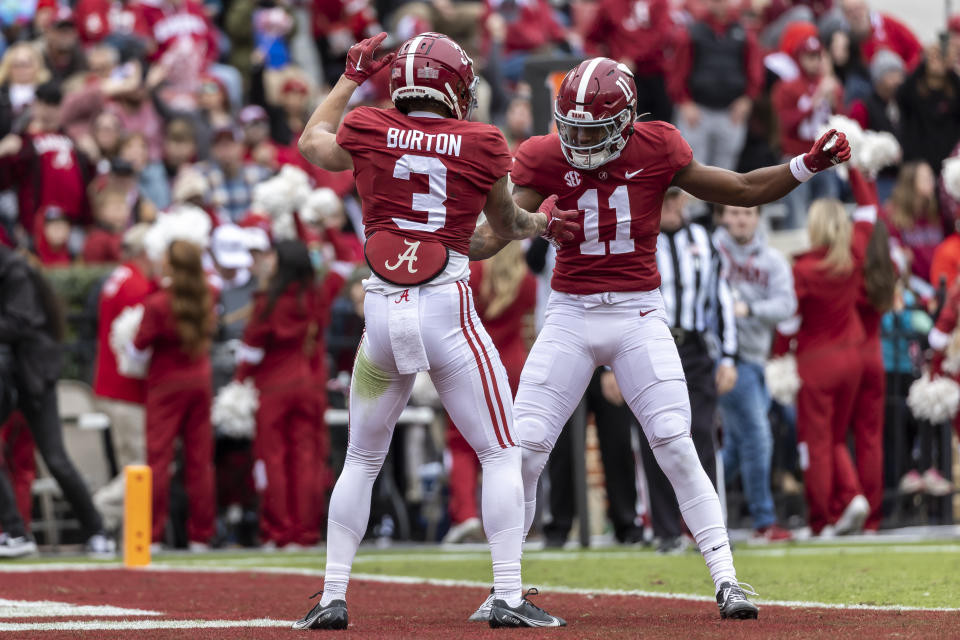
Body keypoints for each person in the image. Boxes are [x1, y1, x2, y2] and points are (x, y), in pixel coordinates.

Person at [469, 56, 851, 620]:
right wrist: (523, 224)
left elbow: (741, 188)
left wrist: (805, 164)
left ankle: (727, 579)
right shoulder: (543, 155)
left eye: (592, 131)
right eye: (569, 127)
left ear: (625, 123)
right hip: (570, 313)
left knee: (675, 440)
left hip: (636, 314)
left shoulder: (658, 146)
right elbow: (486, 240)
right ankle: (505, 591)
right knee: (521, 450)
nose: (577, 141)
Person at [293, 32, 577, 630]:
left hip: (381, 310)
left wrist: (349, 75)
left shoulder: (369, 127)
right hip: (445, 305)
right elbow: (497, 229)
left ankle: (332, 595)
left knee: (362, 458)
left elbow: (312, 142)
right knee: (499, 451)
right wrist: (544, 222)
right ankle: (506, 593)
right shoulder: (480, 141)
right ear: (453, 88)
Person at [0, 246, 115, 557]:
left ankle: (96, 530)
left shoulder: (15, 272)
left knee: (56, 459)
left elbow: (17, 323)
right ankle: (13, 531)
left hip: (33, 378)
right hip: (8, 376)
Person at [642, 188, 738, 553]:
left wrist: (728, 356)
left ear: (684, 200)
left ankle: (708, 529)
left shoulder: (704, 240)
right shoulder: (640, 237)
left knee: (700, 432)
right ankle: (667, 531)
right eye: (662, 198)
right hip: (651, 343)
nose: (667, 205)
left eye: (673, 198)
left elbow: (722, 297)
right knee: (657, 435)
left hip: (694, 347)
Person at [777, 199, 868, 536]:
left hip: (816, 362)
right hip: (852, 359)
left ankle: (821, 521)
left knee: (814, 444)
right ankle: (852, 495)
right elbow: (869, 218)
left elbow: (788, 322)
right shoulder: (850, 263)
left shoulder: (803, 269)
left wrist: (778, 355)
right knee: (835, 439)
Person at [234, 240, 329, 549]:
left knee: (272, 460)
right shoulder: (314, 297)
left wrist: (238, 383)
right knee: (308, 459)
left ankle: (278, 531)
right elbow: (339, 265)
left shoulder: (268, 302)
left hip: (273, 389)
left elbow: (250, 352)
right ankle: (305, 532)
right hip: (310, 387)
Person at [444, 241, 537, 545]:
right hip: (513, 366)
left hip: (475, 362)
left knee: (461, 442)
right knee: (507, 445)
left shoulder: (472, 272)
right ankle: (512, 517)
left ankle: (468, 515)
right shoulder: (527, 279)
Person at [714, 203, 797, 542]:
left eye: (747, 213)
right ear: (722, 216)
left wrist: (749, 309)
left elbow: (787, 306)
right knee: (758, 438)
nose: (740, 219)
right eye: (733, 213)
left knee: (736, 446)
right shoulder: (710, 248)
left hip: (756, 359)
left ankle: (688, 513)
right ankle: (763, 520)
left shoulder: (773, 259)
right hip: (725, 360)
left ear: (758, 218)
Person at [130, 239, 217, 550]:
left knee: (158, 459)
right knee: (200, 461)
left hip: (165, 386)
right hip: (200, 381)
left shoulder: (157, 304)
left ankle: (151, 536)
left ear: (170, 265)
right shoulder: (208, 294)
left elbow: (137, 351)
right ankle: (201, 535)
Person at [90, 225, 155, 529]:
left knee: (131, 464)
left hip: (109, 385)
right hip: (126, 389)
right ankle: (97, 511)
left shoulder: (118, 278)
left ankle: (129, 532)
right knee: (141, 467)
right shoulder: (136, 286)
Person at [670, 0, 764, 171]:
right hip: (697, 110)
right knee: (692, 172)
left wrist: (747, 100)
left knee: (726, 174)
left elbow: (754, 70)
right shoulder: (692, 31)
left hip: (731, 112)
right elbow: (677, 71)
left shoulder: (743, 32)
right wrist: (684, 102)